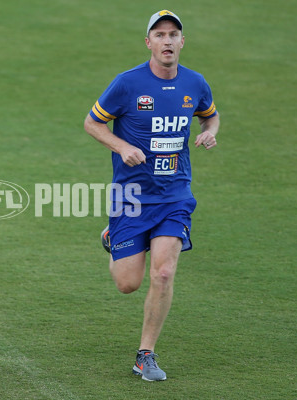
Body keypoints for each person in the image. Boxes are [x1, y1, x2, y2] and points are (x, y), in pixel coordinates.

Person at [84, 10, 220, 381]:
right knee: (127, 283)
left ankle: (146, 355)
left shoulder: (195, 83)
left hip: (175, 196)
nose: (167, 41)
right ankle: (113, 238)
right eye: (159, 35)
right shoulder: (127, 84)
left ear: (182, 41)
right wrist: (121, 145)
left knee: (163, 272)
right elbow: (92, 122)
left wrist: (210, 131)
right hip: (130, 197)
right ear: (149, 42)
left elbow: (211, 114)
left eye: (173, 34)